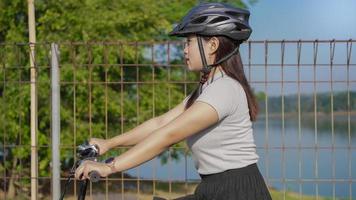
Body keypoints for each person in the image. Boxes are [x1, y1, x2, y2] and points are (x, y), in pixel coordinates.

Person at [75, 2, 272, 200]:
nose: (185, 50)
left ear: (213, 45)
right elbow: (161, 123)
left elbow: (168, 135)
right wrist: (109, 143)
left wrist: (110, 167)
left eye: (189, 42)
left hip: (237, 192)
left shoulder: (224, 89)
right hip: (215, 188)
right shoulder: (208, 88)